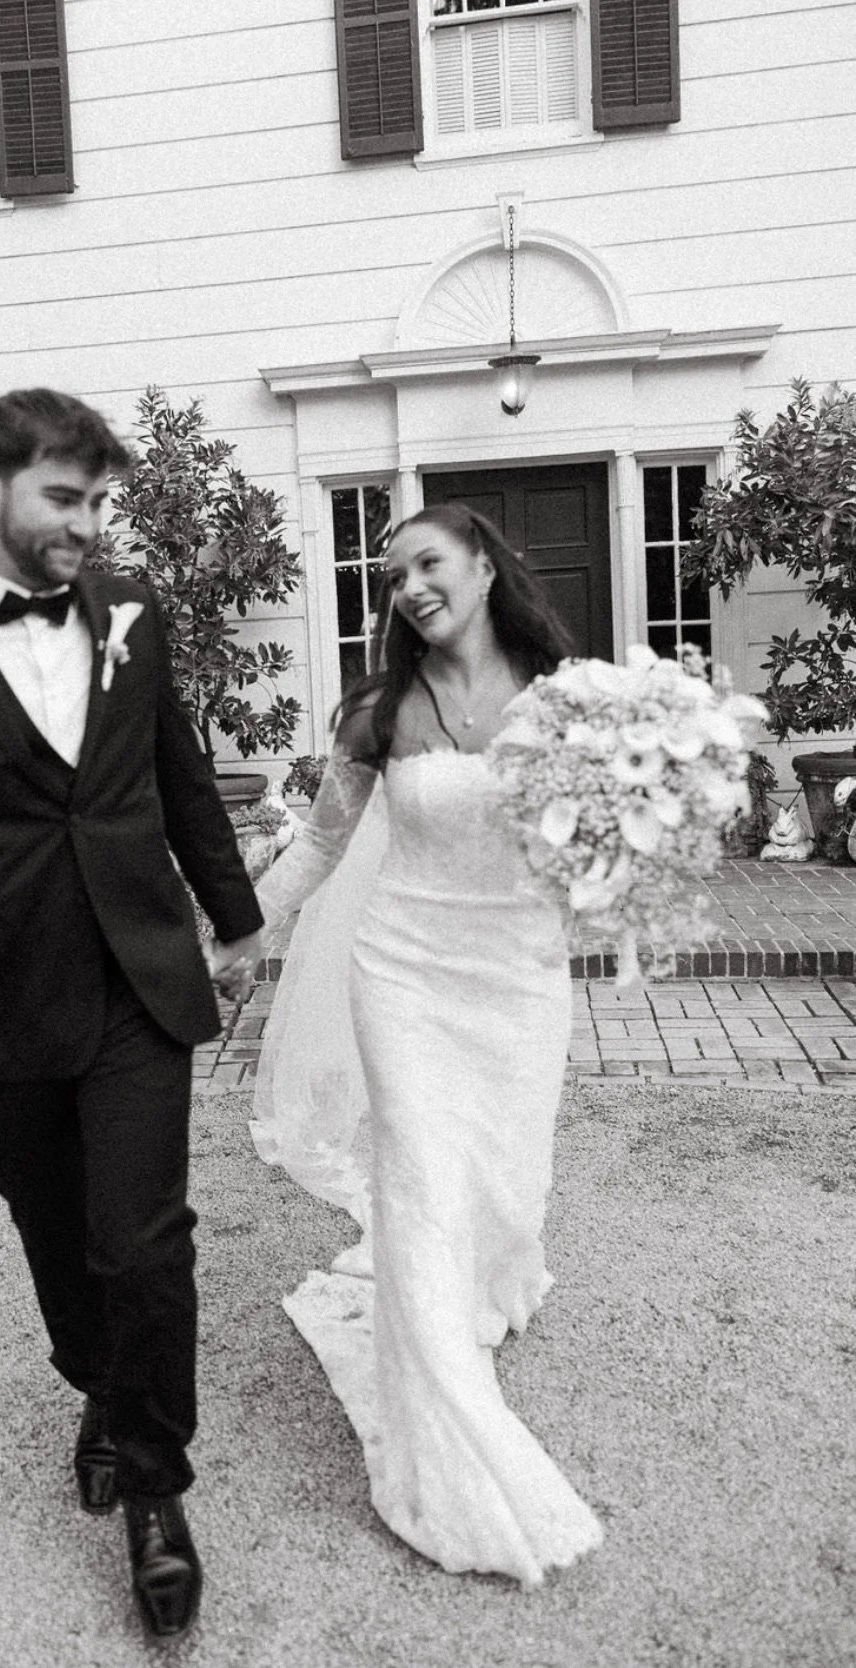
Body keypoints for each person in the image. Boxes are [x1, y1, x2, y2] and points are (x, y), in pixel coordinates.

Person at [0, 388, 262, 1639]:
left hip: (138, 979)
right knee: (56, 1234)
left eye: (97, 501)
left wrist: (236, 918)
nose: (86, 523)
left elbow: (179, 774)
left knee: (144, 1243)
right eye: (63, 498)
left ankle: (157, 1491)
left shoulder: (133, 611)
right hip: (0, 1001)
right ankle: (100, 1386)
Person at [251, 502, 604, 1586]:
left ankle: (478, 1290)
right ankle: (443, 1421)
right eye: (392, 573)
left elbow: (594, 851)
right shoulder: (380, 709)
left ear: (485, 568)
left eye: (428, 562)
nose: (408, 586)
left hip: (518, 979)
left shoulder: (569, 700)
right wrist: (236, 931)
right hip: (402, 971)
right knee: (420, 1183)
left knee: (503, 1182)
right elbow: (320, 847)